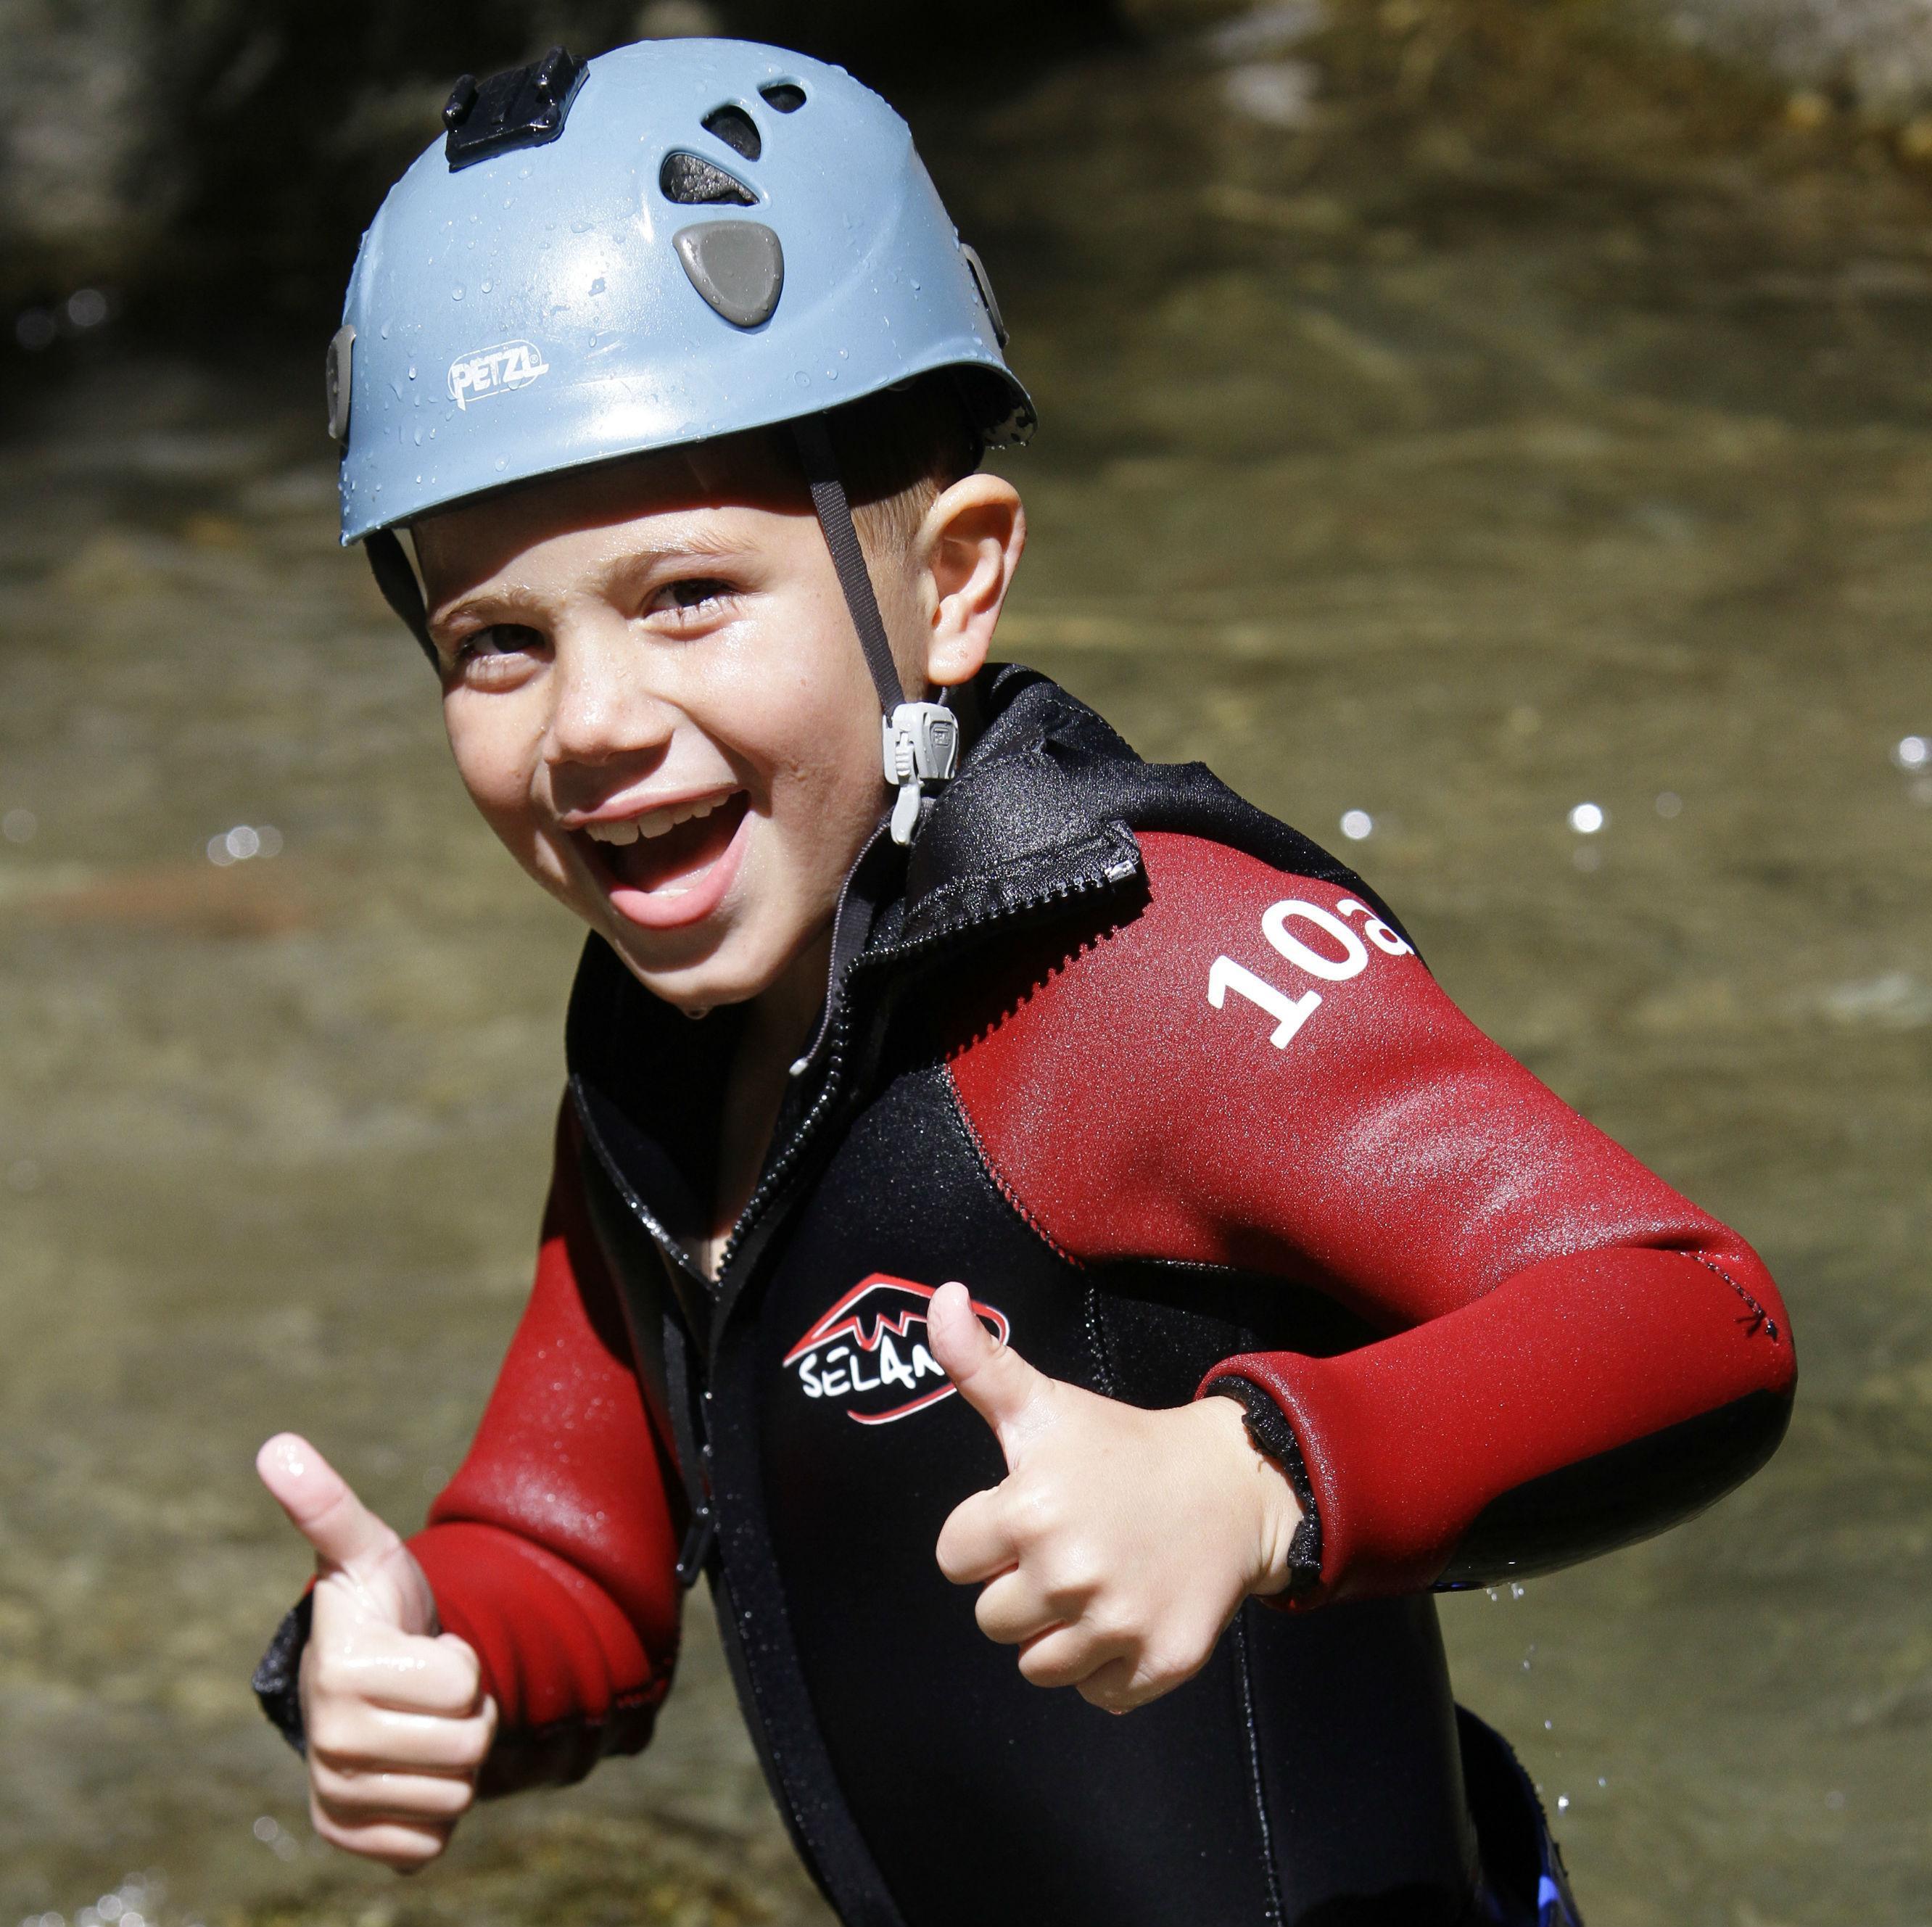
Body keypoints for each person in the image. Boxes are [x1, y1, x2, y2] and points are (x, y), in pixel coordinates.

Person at [250, 38, 1796, 1927]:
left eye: (687, 597)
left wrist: (1253, 1483)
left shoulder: (1133, 964)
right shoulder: (667, 1055)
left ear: (957, 582)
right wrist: (433, 1661)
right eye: (497, 640)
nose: (591, 721)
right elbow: (574, 1558)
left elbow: (1689, 1317)